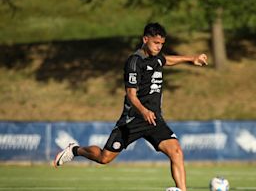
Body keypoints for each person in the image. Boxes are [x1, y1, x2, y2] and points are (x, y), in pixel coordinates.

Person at [54, 22, 208, 191]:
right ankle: (76, 150)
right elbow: (131, 95)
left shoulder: (156, 58)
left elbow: (167, 60)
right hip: (132, 120)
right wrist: (144, 111)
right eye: (156, 43)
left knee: (176, 152)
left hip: (154, 119)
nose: (159, 47)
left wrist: (191, 58)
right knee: (104, 158)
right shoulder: (134, 62)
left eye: (162, 44)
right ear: (145, 39)